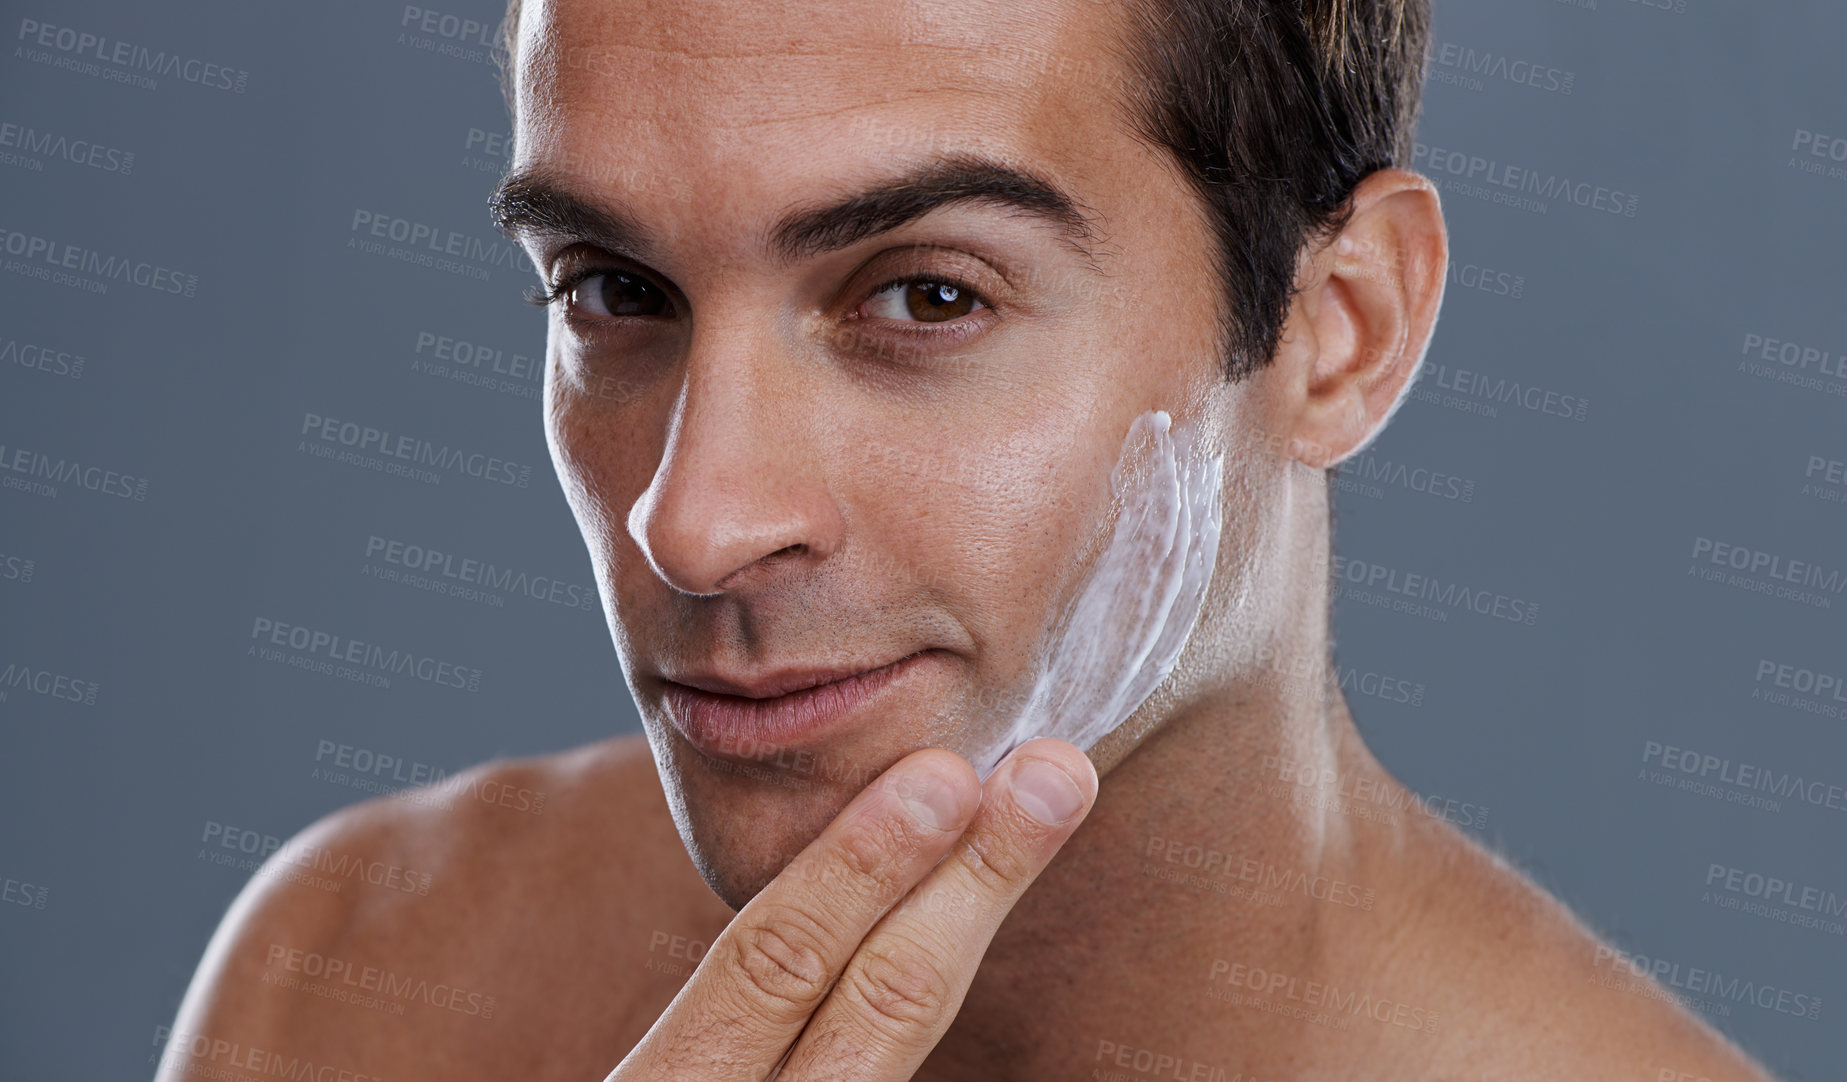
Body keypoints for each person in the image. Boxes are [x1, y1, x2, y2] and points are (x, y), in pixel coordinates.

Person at [158, 0, 1777, 1078]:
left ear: (1337, 330)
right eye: (613, 289)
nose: (695, 520)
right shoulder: (348, 981)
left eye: (929, 294)